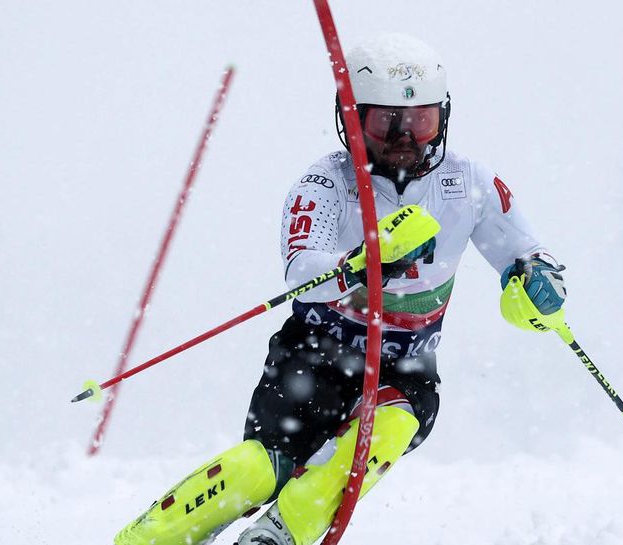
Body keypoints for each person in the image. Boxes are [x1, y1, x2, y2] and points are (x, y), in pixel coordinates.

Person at [114, 33, 567, 545]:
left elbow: (527, 253)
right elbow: (300, 269)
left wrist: (538, 284)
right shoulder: (326, 182)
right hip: (312, 355)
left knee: (390, 430)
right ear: (350, 117)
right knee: (262, 469)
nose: (406, 137)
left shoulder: (467, 183)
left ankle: (277, 535)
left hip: (404, 365)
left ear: (442, 116)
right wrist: (363, 263)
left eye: (421, 120)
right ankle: (148, 538)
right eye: (385, 122)